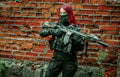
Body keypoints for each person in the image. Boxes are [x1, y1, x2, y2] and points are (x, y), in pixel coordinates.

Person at [39, 3, 84, 77]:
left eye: (64, 13)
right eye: (61, 13)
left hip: (70, 60)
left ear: (69, 14)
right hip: (56, 58)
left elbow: (80, 47)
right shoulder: (57, 26)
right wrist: (54, 31)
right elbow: (41, 32)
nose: (62, 15)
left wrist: (75, 38)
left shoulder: (76, 29)